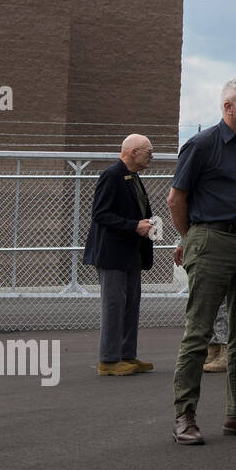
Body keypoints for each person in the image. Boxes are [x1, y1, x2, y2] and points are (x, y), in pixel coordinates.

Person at [166, 80, 236, 444]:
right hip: (211, 239)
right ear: (228, 107)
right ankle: (185, 416)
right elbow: (175, 198)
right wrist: (191, 239)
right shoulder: (201, 145)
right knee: (198, 333)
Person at [82, 134, 156, 376]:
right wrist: (134, 225)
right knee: (114, 304)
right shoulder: (112, 175)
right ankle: (108, 360)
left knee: (131, 304)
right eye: (148, 151)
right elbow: (100, 214)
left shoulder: (133, 177)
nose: (152, 156)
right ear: (133, 152)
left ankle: (127, 355)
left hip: (132, 251)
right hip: (113, 252)